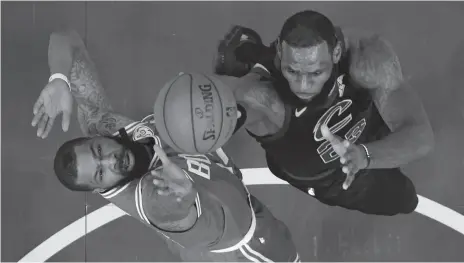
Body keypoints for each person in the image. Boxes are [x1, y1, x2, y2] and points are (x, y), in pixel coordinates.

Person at [31, 29, 300, 262]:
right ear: (101, 187)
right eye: (101, 173)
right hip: (245, 248)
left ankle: (260, 78)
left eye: (99, 151)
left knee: (239, 99)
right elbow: (169, 211)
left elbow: (65, 39)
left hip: (218, 201)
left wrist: (59, 80)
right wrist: (182, 198)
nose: (110, 161)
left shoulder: (100, 121)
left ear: (95, 138)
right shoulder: (151, 196)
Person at [213, 10, 434, 216]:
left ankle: (251, 54)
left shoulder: (365, 56)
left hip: (366, 122)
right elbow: (217, 108)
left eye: (316, 72)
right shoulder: (263, 98)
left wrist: (365, 155)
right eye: (292, 71)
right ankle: (252, 60)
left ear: (336, 53)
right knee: (405, 199)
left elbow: (420, 135)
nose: (303, 85)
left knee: (398, 141)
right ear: (280, 52)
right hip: (327, 176)